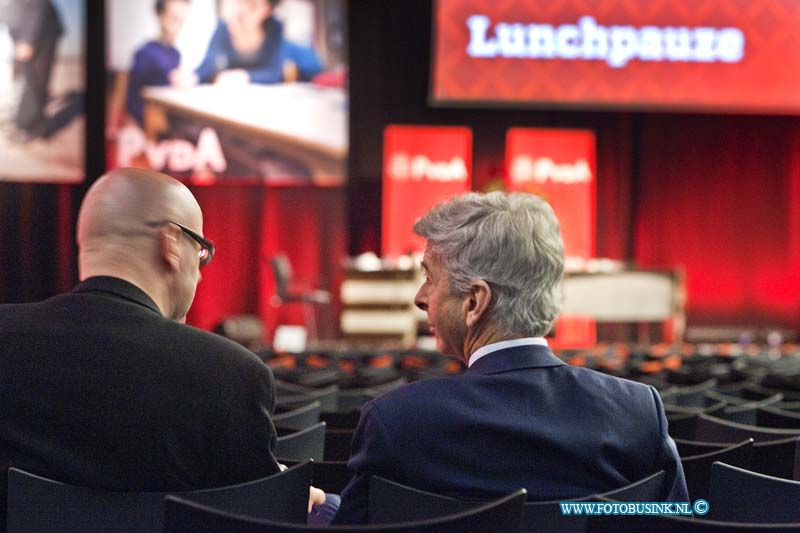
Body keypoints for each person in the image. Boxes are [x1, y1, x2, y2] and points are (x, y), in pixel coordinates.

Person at [332, 192, 688, 524]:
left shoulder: (396, 422)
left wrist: (326, 508)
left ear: (474, 302)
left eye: (429, 277)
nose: (420, 297)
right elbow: (678, 523)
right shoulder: (639, 413)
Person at [0, 168, 322, 529]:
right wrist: (280, 492)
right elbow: (252, 519)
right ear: (171, 244)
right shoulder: (229, 373)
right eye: (201, 253)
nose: (200, 274)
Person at [172, 0, 322, 87]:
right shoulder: (224, 28)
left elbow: (274, 73)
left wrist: (245, 76)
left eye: (253, 5)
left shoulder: (275, 29)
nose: (243, 10)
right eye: (242, 1)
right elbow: (208, 65)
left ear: (268, 10)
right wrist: (193, 77)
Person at [0, 0, 62, 140]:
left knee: (34, 80)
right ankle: (22, 120)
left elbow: (38, 4)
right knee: (21, 76)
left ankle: (29, 127)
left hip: (42, 32)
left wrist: (28, 39)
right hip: (23, 35)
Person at [125, 0, 191, 126]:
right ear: (160, 16)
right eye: (174, 18)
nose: (178, 26)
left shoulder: (176, 54)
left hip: (170, 118)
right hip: (150, 122)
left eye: (182, 21)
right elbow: (131, 101)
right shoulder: (145, 53)